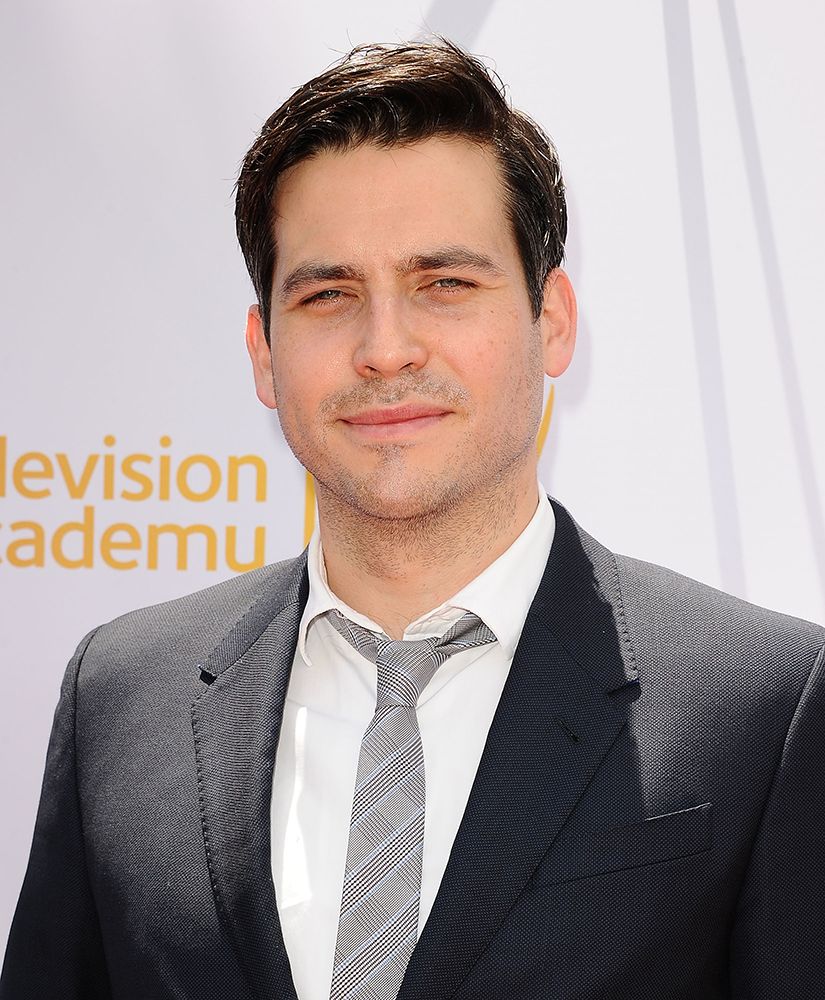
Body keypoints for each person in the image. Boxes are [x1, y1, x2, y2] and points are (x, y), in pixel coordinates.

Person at [2, 38, 823, 1000]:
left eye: (445, 284)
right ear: (263, 353)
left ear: (551, 321)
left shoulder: (762, 707)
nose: (385, 349)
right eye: (328, 294)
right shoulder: (121, 695)